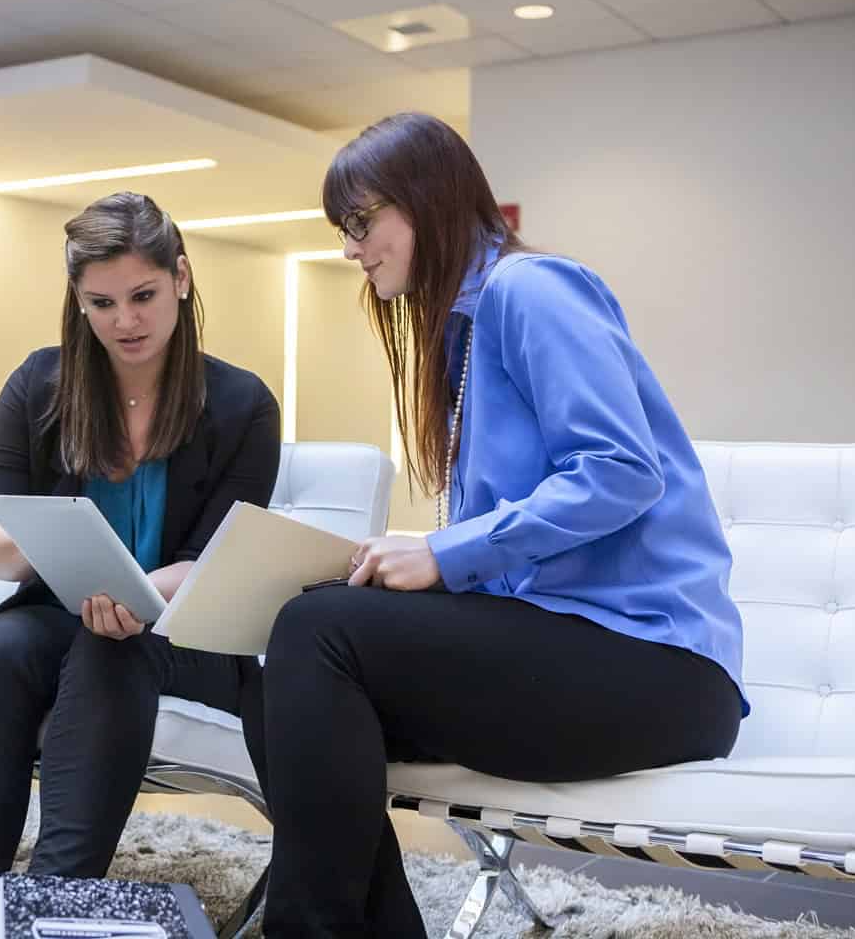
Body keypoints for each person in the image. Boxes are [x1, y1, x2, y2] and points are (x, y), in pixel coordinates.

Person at [252, 113, 748, 937]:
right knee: (274, 686)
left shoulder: (530, 289)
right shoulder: (465, 328)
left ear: (425, 199)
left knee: (317, 631)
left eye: (361, 222)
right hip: (572, 650)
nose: (349, 249)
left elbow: (621, 471)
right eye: (343, 230)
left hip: (660, 668)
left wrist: (443, 553)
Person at [0, 191, 280, 883]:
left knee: (113, 642)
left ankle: (54, 898)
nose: (126, 321)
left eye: (143, 295)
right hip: (58, 613)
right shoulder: (40, 384)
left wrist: (132, 595)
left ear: (181, 278)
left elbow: (212, 563)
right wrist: (52, 538)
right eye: (102, 303)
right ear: (79, 300)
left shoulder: (243, 404)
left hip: (188, 633)